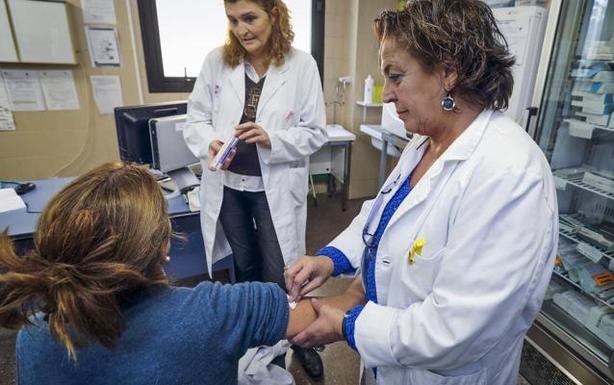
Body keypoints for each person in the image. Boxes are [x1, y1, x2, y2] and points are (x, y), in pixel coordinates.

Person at [284, 1, 559, 384]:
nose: (387, 94)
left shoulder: (510, 174)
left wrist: (349, 322)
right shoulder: (425, 143)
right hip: (389, 364)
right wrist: (331, 259)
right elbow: (382, 218)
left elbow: (456, 331)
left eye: (396, 76)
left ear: (448, 73)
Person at [0, 162, 361, 385]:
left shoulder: (33, 336)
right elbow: (324, 313)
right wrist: (361, 286)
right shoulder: (218, 311)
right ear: (163, 248)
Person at [183, 0, 327, 377]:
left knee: (281, 270)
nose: (241, 29)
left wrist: (271, 138)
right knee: (244, 268)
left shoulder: (301, 65)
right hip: (229, 186)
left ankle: (297, 339)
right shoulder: (218, 61)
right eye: (233, 20)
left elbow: (315, 133)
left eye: (250, 18)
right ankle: (255, 345)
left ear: (274, 16)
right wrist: (210, 142)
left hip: (274, 187)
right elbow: (195, 119)